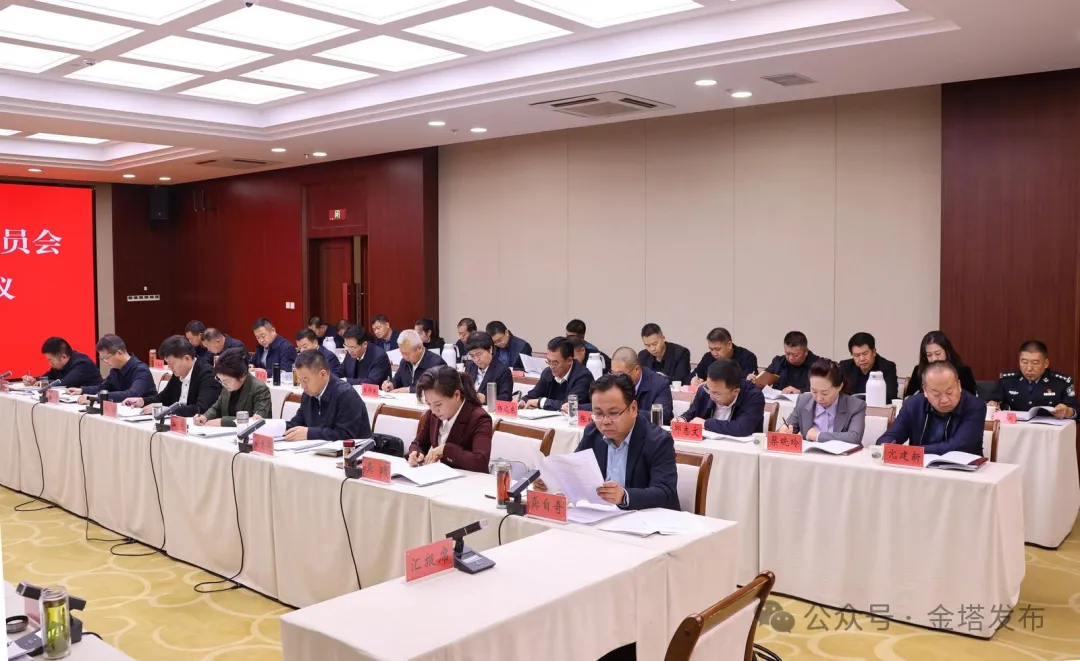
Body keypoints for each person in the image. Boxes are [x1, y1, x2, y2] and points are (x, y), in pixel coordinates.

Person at [538, 373, 679, 511]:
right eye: (598, 413)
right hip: (603, 515)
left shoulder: (658, 441)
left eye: (613, 413)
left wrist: (623, 496)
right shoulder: (592, 433)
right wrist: (550, 484)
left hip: (645, 518)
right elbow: (573, 472)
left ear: (633, 409)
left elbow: (665, 492)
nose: (605, 421)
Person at [878, 361, 986, 455]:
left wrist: (912, 451)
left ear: (958, 385)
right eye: (936, 394)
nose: (944, 400)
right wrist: (886, 445)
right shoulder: (913, 405)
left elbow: (959, 446)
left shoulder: (975, 406)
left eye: (949, 392)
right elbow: (891, 435)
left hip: (961, 469)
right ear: (925, 390)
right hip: (920, 468)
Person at [407, 366, 492, 473]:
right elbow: (419, 443)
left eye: (438, 404)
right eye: (429, 404)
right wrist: (415, 453)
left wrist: (446, 450)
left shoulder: (479, 418)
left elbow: (480, 462)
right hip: (438, 476)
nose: (433, 410)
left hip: (470, 480)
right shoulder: (432, 414)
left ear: (456, 395)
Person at [285, 350, 372, 441]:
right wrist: (278, 427)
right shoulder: (308, 394)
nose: (303, 386)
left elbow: (346, 435)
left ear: (323, 374)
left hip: (354, 448)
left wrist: (309, 433)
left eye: (306, 380)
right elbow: (298, 422)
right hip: (319, 448)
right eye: (300, 380)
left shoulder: (346, 394)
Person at [125, 335, 221, 416]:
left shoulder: (208, 375)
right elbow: (163, 397)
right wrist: (142, 401)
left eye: (171, 363)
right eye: (167, 363)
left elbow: (201, 409)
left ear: (187, 359)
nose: (169, 367)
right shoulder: (178, 373)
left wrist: (166, 410)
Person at [779, 359, 867, 444]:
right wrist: (784, 431)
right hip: (809, 453)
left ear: (839, 387)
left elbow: (854, 437)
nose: (819, 398)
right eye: (814, 391)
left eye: (825, 393)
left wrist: (818, 436)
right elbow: (787, 429)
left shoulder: (855, 406)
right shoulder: (803, 401)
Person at [578, 347, 673, 424]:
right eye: (613, 373)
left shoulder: (659, 384)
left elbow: (663, 415)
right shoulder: (612, 382)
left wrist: (626, 412)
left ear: (637, 370)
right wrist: (577, 408)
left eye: (621, 374)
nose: (616, 378)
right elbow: (601, 405)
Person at [988, 340, 1079, 419]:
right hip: (1015, 429)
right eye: (1024, 362)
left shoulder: (1061, 383)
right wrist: (992, 405)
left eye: (1035, 363)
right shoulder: (1007, 381)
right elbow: (994, 401)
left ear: (1046, 363)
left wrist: (1067, 412)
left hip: (1048, 431)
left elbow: (1077, 411)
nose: (1029, 368)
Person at [674, 359, 764, 436]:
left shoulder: (753, 396)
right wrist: (683, 419)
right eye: (709, 389)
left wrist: (706, 423)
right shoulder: (705, 390)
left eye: (716, 393)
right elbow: (692, 412)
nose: (711, 396)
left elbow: (742, 428)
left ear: (735, 391)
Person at [194, 348, 272, 427]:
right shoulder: (227, 385)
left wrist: (223, 422)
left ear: (242, 376)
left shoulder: (260, 389)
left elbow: (257, 420)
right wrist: (205, 417)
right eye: (220, 380)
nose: (223, 384)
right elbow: (217, 408)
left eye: (226, 381)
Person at [70, 334, 155, 403]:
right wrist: (82, 390)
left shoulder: (141, 370)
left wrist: (98, 397)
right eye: (102, 359)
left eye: (106, 358)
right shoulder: (115, 370)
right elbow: (102, 388)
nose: (104, 362)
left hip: (145, 413)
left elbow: (131, 394)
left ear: (119, 353)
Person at [522, 337, 594, 411]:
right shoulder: (548, 372)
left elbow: (569, 406)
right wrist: (523, 401)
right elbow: (533, 395)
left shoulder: (583, 377)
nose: (551, 366)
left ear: (569, 361)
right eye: (548, 361)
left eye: (555, 363)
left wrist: (541, 402)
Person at [903, 331, 977, 398]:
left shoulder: (963, 371)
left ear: (947, 352)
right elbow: (908, 398)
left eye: (938, 354)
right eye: (929, 355)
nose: (934, 359)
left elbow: (971, 398)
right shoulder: (919, 370)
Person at [839, 332, 898, 402]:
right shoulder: (845, 366)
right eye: (857, 355)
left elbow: (890, 396)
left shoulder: (887, 367)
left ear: (874, 352)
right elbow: (839, 394)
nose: (862, 359)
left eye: (865, 354)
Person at [23, 337, 101, 389]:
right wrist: (34, 380)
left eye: (50, 360)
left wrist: (42, 383)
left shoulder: (82, 364)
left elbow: (65, 383)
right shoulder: (60, 365)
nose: (50, 364)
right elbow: (49, 376)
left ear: (63, 357)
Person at [383, 329, 446, 393]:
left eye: (407, 353)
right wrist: (391, 385)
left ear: (419, 348)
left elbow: (432, 388)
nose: (404, 357)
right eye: (402, 353)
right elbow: (397, 379)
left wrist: (408, 390)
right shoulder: (404, 362)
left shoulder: (436, 363)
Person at [691, 328, 758, 386]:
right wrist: (694, 379)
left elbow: (747, 381)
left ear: (729, 345)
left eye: (718, 349)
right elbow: (695, 374)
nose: (714, 353)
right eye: (711, 349)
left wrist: (710, 383)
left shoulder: (747, 357)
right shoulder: (708, 357)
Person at [464, 331, 513, 403]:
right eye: (472, 356)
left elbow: (505, 399)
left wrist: (485, 399)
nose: (476, 359)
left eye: (479, 354)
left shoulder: (503, 371)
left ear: (490, 349)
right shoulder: (470, 366)